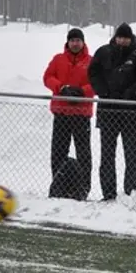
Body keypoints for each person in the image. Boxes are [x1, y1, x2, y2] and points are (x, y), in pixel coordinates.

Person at [88, 22, 136, 201]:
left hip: (131, 113)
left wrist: (131, 92)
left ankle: (131, 194)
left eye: (126, 38)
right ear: (115, 37)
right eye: (120, 37)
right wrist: (104, 92)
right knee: (107, 155)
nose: (123, 41)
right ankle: (108, 194)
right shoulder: (103, 52)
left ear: (131, 39)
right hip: (108, 111)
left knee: (132, 155)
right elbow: (93, 73)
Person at [43, 28, 94, 200]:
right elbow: (48, 77)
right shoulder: (58, 59)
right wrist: (62, 88)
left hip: (81, 113)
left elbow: (95, 83)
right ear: (68, 42)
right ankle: (58, 185)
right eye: (72, 40)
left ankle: (84, 188)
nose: (75, 43)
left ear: (83, 42)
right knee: (58, 151)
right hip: (61, 112)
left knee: (84, 153)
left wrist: (81, 92)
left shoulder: (90, 61)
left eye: (78, 40)